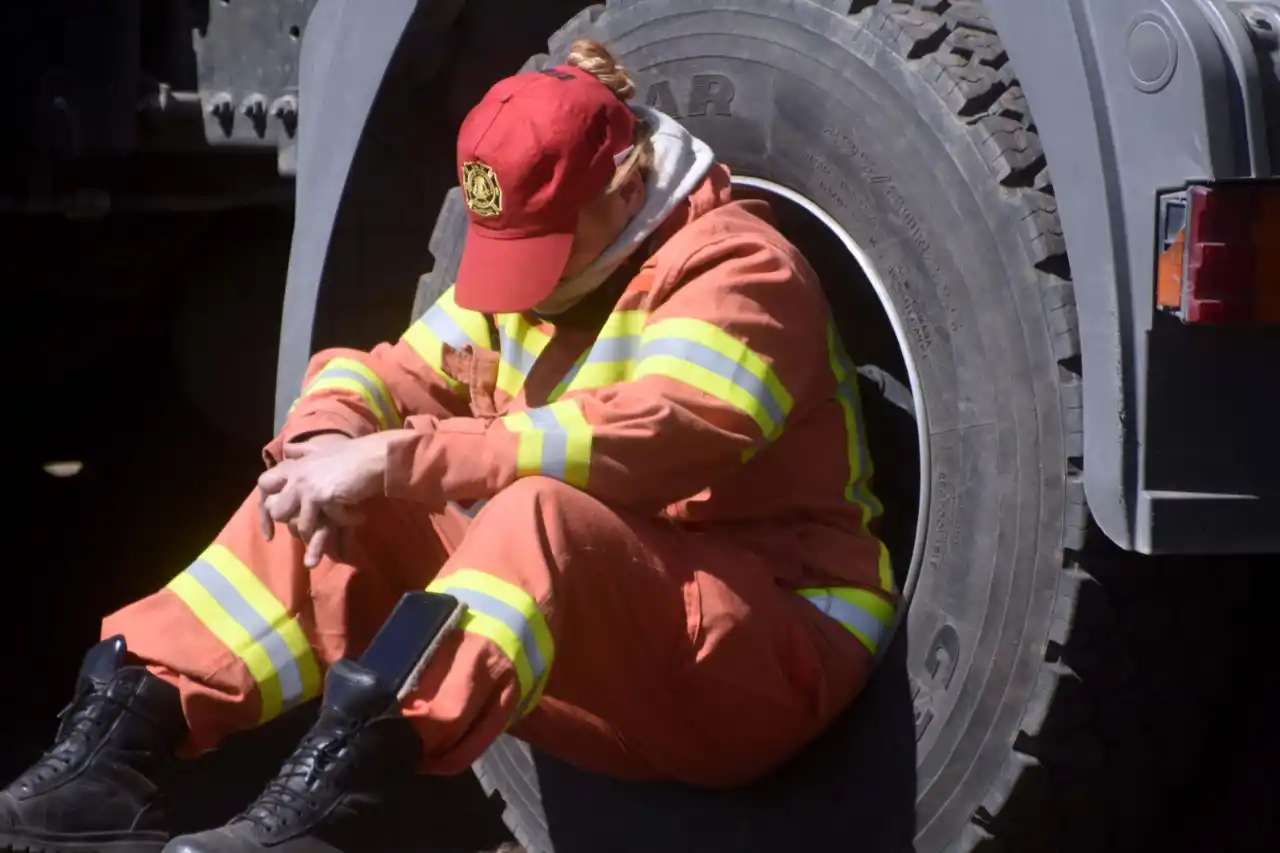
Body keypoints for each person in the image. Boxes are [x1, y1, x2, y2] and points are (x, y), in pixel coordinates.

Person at [0, 40, 896, 853]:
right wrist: (326, 443)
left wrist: (398, 455)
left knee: (530, 507)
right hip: (635, 646)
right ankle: (120, 742)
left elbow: (658, 435)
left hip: (774, 658)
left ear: (626, 185)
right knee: (335, 490)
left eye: (543, 246)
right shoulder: (547, 271)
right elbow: (386, 376)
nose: (520, 285)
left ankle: (332, 805)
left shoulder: (740, 270)